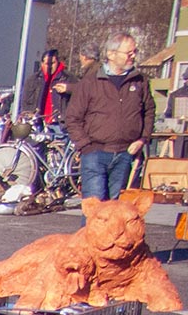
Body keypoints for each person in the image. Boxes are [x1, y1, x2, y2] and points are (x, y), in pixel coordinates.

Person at [66, 33, 154, 201]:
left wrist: (142, 139)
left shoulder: (139, 81)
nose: (133, 56)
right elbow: (73, 117)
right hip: (95, 153)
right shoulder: (90, 82)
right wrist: (86, 146)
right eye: (129, 53)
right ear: (111, 54)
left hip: (125, 153)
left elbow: (149, 111)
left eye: (134, 51)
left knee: (115, 210)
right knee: (96, 210)